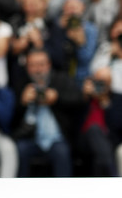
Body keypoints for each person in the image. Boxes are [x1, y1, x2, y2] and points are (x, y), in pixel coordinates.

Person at [11, 48, 84, 177]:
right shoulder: (20, 83)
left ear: (49, 65)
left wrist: (57, 98)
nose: (38, 70)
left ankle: (65, 194)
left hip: (56, 139)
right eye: (33, 65)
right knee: (20, 150)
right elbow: (10, 120)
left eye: (41, 64)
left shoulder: (61, 79)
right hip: (30, 138)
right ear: (27, 67)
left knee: (62, 152)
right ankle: (19, 194)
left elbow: (79, 101)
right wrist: (22, 103)